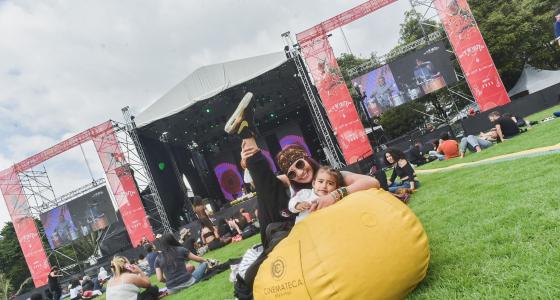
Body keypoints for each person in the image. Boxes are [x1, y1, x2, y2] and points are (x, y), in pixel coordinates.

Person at [224, 92, 380, 297]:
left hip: (317, 236)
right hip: (293, 229)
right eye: (292, 173)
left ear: (307, 159)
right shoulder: (297, 186)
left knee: (274, 211)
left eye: (300, 165)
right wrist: (249, 163)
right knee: (267, 191)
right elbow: (265, 184)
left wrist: (334, 195)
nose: (299, 173)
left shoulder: (331, 176)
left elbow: (373, 182)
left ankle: (247, 132)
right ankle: (247, 131)